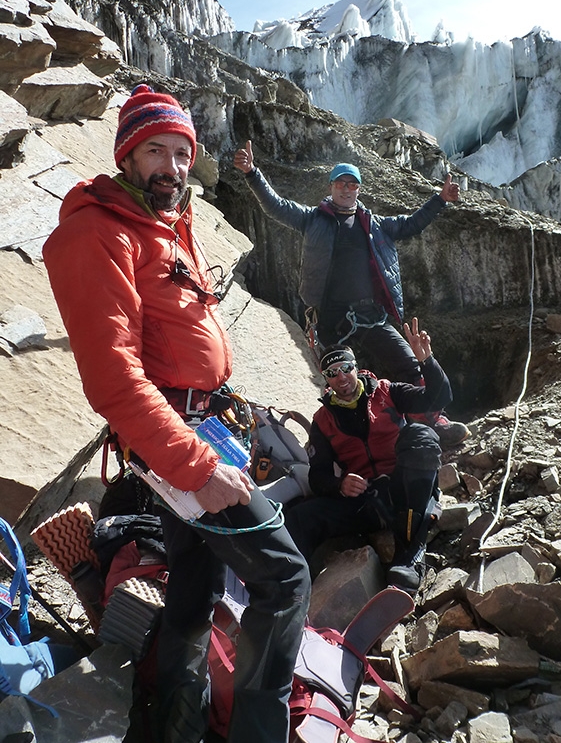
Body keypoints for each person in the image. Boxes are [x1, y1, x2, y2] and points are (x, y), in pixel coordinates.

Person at [42, 84, 310, 743]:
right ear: (126, 157)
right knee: (284, 579)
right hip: (179, 440)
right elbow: (113, 380)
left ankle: (175, 723)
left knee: (195, 582)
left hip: (198, 426)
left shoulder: (159, 223)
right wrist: (194, 467)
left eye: (182, 152)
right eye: (155, 150)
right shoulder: (97, 233)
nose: (173, 166)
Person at [233, 140, 468, 444]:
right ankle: (349, 439)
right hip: (332, 319)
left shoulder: (376, 225)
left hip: (371, 314)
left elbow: (412, 224)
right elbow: (277, 206)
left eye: (352, 185)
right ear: (331, 187)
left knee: (409, 364)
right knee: (339, 379)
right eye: (341, 184)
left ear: (359, 190)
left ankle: (431, 419)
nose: (346, 189)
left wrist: (440, 200)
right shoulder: (313, 219)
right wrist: (252, 173)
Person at [284, 318, 450, 594]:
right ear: (325, 378)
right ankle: (290, 585)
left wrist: (427, 362)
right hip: (366, 500)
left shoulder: (387, 391)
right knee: (300, 517)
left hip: (405, 488)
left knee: (421, 436)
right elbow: (318, 474)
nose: (341, 377)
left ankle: (410, 558)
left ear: (356, 368)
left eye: (345, 368)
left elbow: (438, 397)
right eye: (332, 372)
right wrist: (340, 485)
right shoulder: (322, 420)